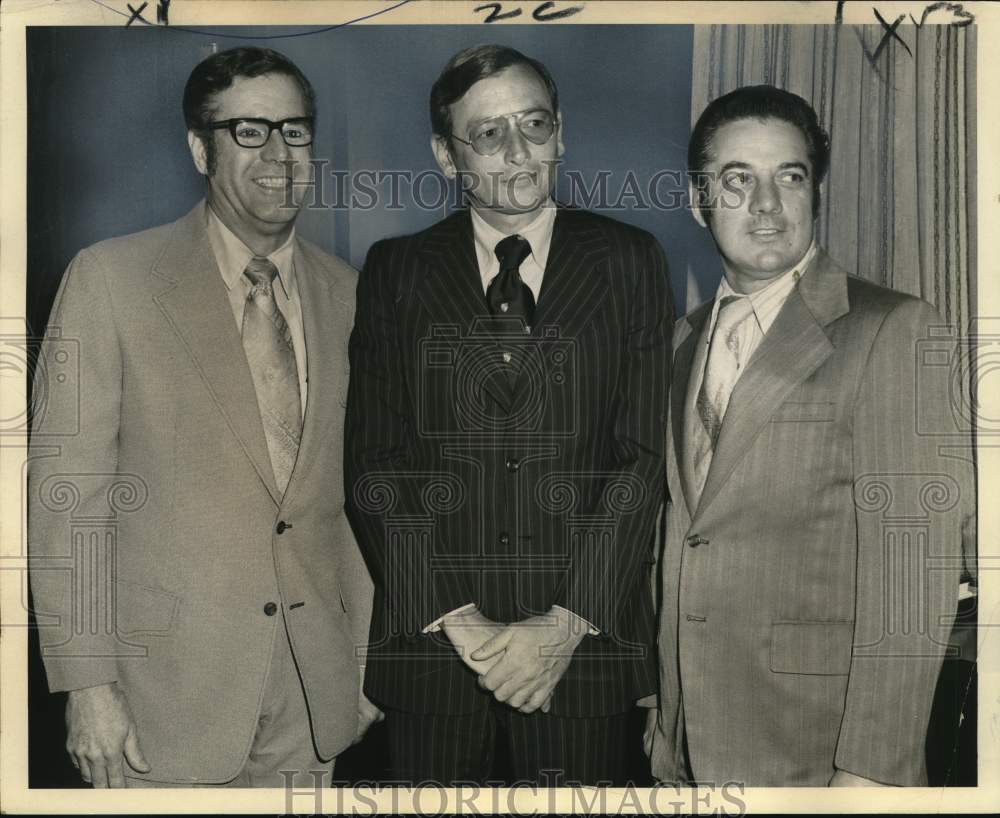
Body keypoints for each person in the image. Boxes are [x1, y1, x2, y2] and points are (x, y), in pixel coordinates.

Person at [28, 46, 379, 788]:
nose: (278, 153)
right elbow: (69, 500)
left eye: (296, 129)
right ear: (199, 147)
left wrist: (365, 661)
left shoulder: (351, 295)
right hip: (161, 706)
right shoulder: (111, 280)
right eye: (248, 131)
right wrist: (88, 686)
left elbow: (357, 499)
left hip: (311, 706)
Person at [345, 44, 673, 785]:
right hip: (435, 661)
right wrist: (462, 625)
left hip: (581, 661)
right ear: (444, 153)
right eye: (489, 134)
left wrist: (563, 627)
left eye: (535, 124)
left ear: (562, 133)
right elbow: (375, 467)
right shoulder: (395, 271)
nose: (519, 153)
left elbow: (641, 460)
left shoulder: (629, 260)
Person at [645, 84, 974, 786]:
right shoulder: (682, 340)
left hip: (819, 752)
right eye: (737, 180)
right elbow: (685, 536)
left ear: (815, 192)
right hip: (691, 745)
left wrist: (870, 771)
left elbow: (914, 573)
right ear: (697, 201)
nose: (766, 205)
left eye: (789, 176)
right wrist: (666, 718)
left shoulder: (893, 328)